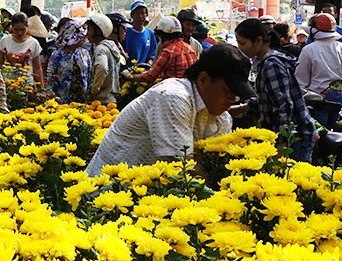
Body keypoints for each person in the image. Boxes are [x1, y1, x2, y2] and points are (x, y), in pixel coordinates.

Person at [86, 43, 256, 172]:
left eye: (235, 93)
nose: (232, 99)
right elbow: (180, 168)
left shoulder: (221, 117)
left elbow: (212, 165)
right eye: (227, 91)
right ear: (203, 79)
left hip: (151, 198)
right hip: (106, 193)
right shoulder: (173, 97)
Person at [233, 18, 316, 162]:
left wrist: (282, 142)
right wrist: (242, 107)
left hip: (295, 138)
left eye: (242, 43)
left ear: (258, 41)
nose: (240, 48)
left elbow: (283, 105)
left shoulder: (271, 64)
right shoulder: (265, 61)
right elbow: (267, 100)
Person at [296, 12, 342, 128]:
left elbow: (301, 81)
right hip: (339, 97)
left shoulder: (309, 50)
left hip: (317, 100)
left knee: (318, 135)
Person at [127, 16, 196, 85]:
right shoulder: (189, 48)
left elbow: (150, 76)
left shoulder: (168, 52)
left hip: (174, 91)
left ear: (163, 35)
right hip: (190, 91)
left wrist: (130, 76)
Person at [46, 19, 92, 104]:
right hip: (62, 99)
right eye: (80, 37)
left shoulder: (85, 54)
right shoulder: (57, 55)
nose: (83, 39)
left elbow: (89, 75)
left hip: (82, 99)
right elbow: (50, 76)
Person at [0, 12, 44, 83]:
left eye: (22, 29)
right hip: (8, 83)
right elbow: (0, 63)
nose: (19, 33)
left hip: (26, 84)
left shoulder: (34, 43)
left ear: (27, 27)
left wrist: (41, 87)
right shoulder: (4, 40)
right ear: (11, 27)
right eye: (16, 29)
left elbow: (37, 68)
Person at [85, 13, 121, 104]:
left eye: (89, 29)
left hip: (101, 101)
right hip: (112, 99)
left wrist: (94, 89)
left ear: (98, 31)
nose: (87, 33)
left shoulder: (100, 48)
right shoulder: (111, 46)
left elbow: (102, 68)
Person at [124, 0, 157, 65]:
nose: (140, 16)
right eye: (137, 13)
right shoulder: (125, 32)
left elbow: (153, 54)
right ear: (132, 15)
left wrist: (150, 62)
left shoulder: (150, 33)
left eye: (143, 13)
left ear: (146, 14)